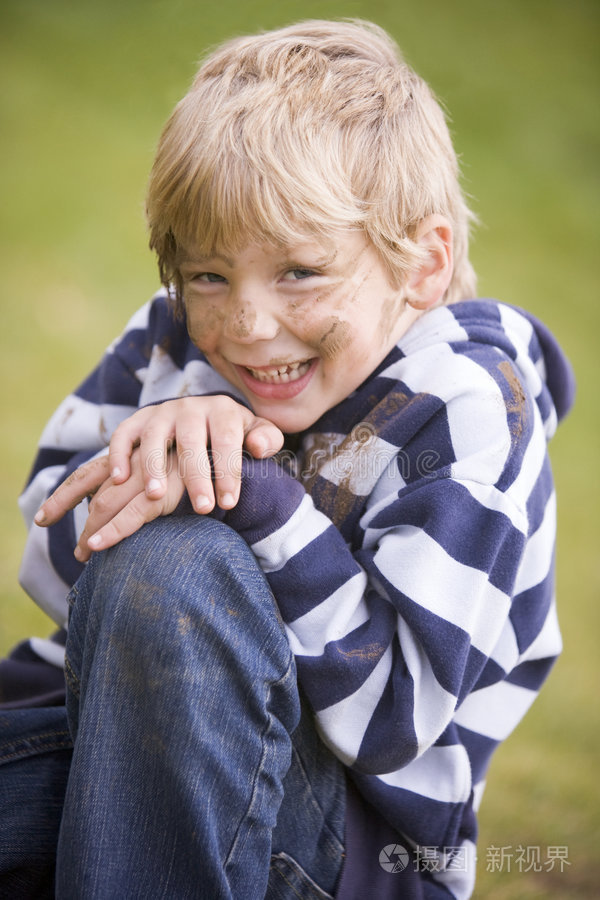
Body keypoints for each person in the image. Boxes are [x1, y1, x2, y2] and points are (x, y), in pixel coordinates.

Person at [0, 18, 574, 900]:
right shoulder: (168, 348)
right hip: (114, 749)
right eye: (207, 276)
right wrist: (171, 446)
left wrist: (257, 500)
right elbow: (44, 556)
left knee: (176, 556)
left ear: (422, 265)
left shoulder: (463, 413)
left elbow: (394, 723)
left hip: (347, 844)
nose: (246, 327)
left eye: (300, 272)